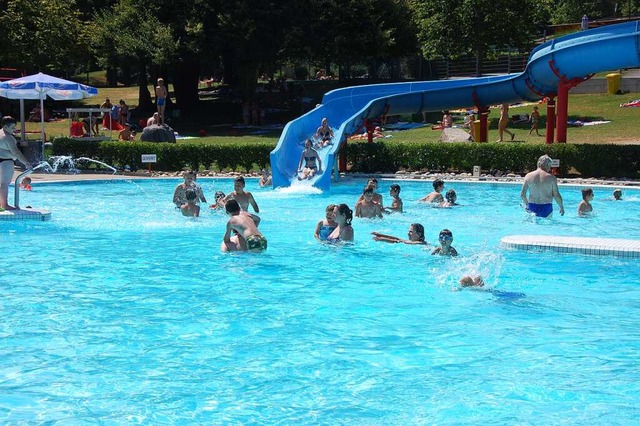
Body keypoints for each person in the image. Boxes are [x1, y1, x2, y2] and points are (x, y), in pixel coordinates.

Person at [0, 117, 32, 210]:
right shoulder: (8, 137)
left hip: (2, 159)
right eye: (12, 127)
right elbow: (16, 153)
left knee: (1, 183)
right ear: (5, 126)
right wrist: (26, 163)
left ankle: (1, 204)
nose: (14, 129)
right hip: (5, 161)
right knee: (5, 183)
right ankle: (4, 205)